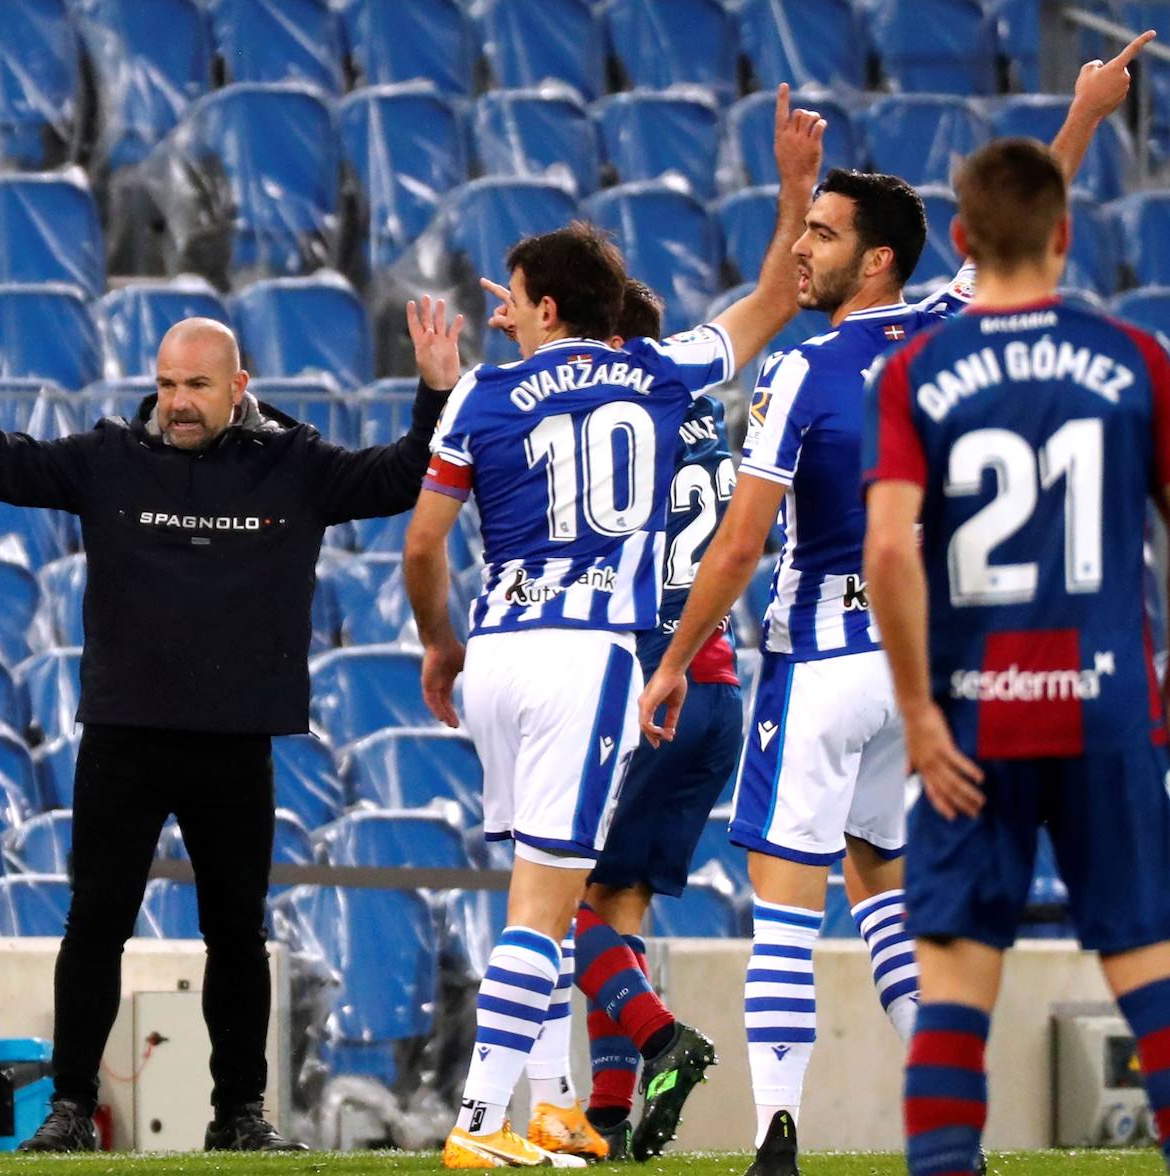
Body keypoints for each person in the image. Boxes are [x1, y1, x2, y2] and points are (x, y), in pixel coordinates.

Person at [637, 38, 1149, 1176]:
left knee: (783, 904)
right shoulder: (950, 330)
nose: (801, 253)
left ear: (873, 263)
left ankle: (776, 1130)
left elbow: (741, 543)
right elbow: (1028, 214)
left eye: (818, 235)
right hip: (923, 671)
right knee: (879, 874)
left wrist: (678, 659)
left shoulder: (799, 376)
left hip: (819, 660)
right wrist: (1088, 109)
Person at [0, 304, 454, 1153]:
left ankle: (239, 1117)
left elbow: (403, 473)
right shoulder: (108, 457)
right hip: (124, 739)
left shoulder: (295, 465)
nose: (178, 401)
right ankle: (71, 1109)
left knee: (236, 938)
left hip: (236, 743)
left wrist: (435, 389)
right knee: (95, 926)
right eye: (166, 383)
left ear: (239, 387)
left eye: (197, 385)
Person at [404, 83, 826, 1169]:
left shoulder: (479, 397)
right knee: (552, 904)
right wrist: (791, 195)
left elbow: (419, 550)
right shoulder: (658, 370)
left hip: (494, 649)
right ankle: (476, 1126)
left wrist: (439, 644)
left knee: (532, 892)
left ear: (542, 308)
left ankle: (548, 1110)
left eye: (517, 290)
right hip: (592, 657)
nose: (501, 301)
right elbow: (778, 299)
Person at [861, 127, 1170, 1176]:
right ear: (1066, 237)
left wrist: (916, 714)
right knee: (1149, 964)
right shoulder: (1136, 361)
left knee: (951, 984)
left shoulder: (917, 370)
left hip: (972, 724)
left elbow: (888, 554)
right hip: (1109, 713)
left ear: (958, 236)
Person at [477, 278, 743, 1163]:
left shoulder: (619, 418)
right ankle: (612, 1112)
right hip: (717, 690)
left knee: (551, 896)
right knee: (615, 900)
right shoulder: (703, 418)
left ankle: (660, 1033)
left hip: (645, 681)